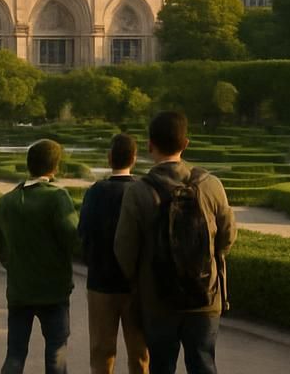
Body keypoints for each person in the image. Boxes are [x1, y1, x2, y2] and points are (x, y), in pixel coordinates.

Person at [116, 111, 236, 374]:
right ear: (186, 144)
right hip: (205, 293)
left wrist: (140, 279)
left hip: (158, 297)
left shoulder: (138, 191)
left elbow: (124, 249)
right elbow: (227, 237)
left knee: (161, 366)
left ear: (149, 145)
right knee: (204, 364)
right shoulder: (211, 185)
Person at [0, 139, 79, 374]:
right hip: (54, 290)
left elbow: (0, 246)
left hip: (20, 289)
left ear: (28, 165)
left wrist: (13, 266)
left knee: (15, 354)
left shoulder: (7, 201)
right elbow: (73, 237)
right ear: (56, 167)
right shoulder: (57, 198)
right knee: (56, 352)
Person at [77, 133, 149, 374]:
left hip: (101, 283)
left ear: (109, 158)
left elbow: (83, 234)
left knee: (101, 353)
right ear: (135, 159)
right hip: (136, 286)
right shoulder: (142, 191)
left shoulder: (96, 191)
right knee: (140, 354)